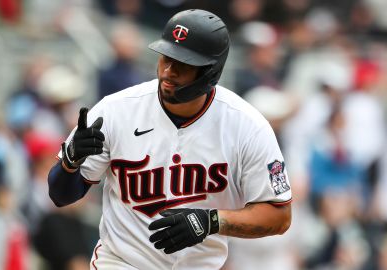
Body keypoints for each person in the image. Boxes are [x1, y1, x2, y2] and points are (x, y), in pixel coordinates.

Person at [48, 9, 292, 269]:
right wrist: (70, 163)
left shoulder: (246, 126)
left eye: (183, 63)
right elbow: (60, 196)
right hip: (122, 262)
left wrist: (212, 221)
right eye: (166, 57)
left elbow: (279, 216)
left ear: (210, 71)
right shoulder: (115, 111)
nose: (168, 71)